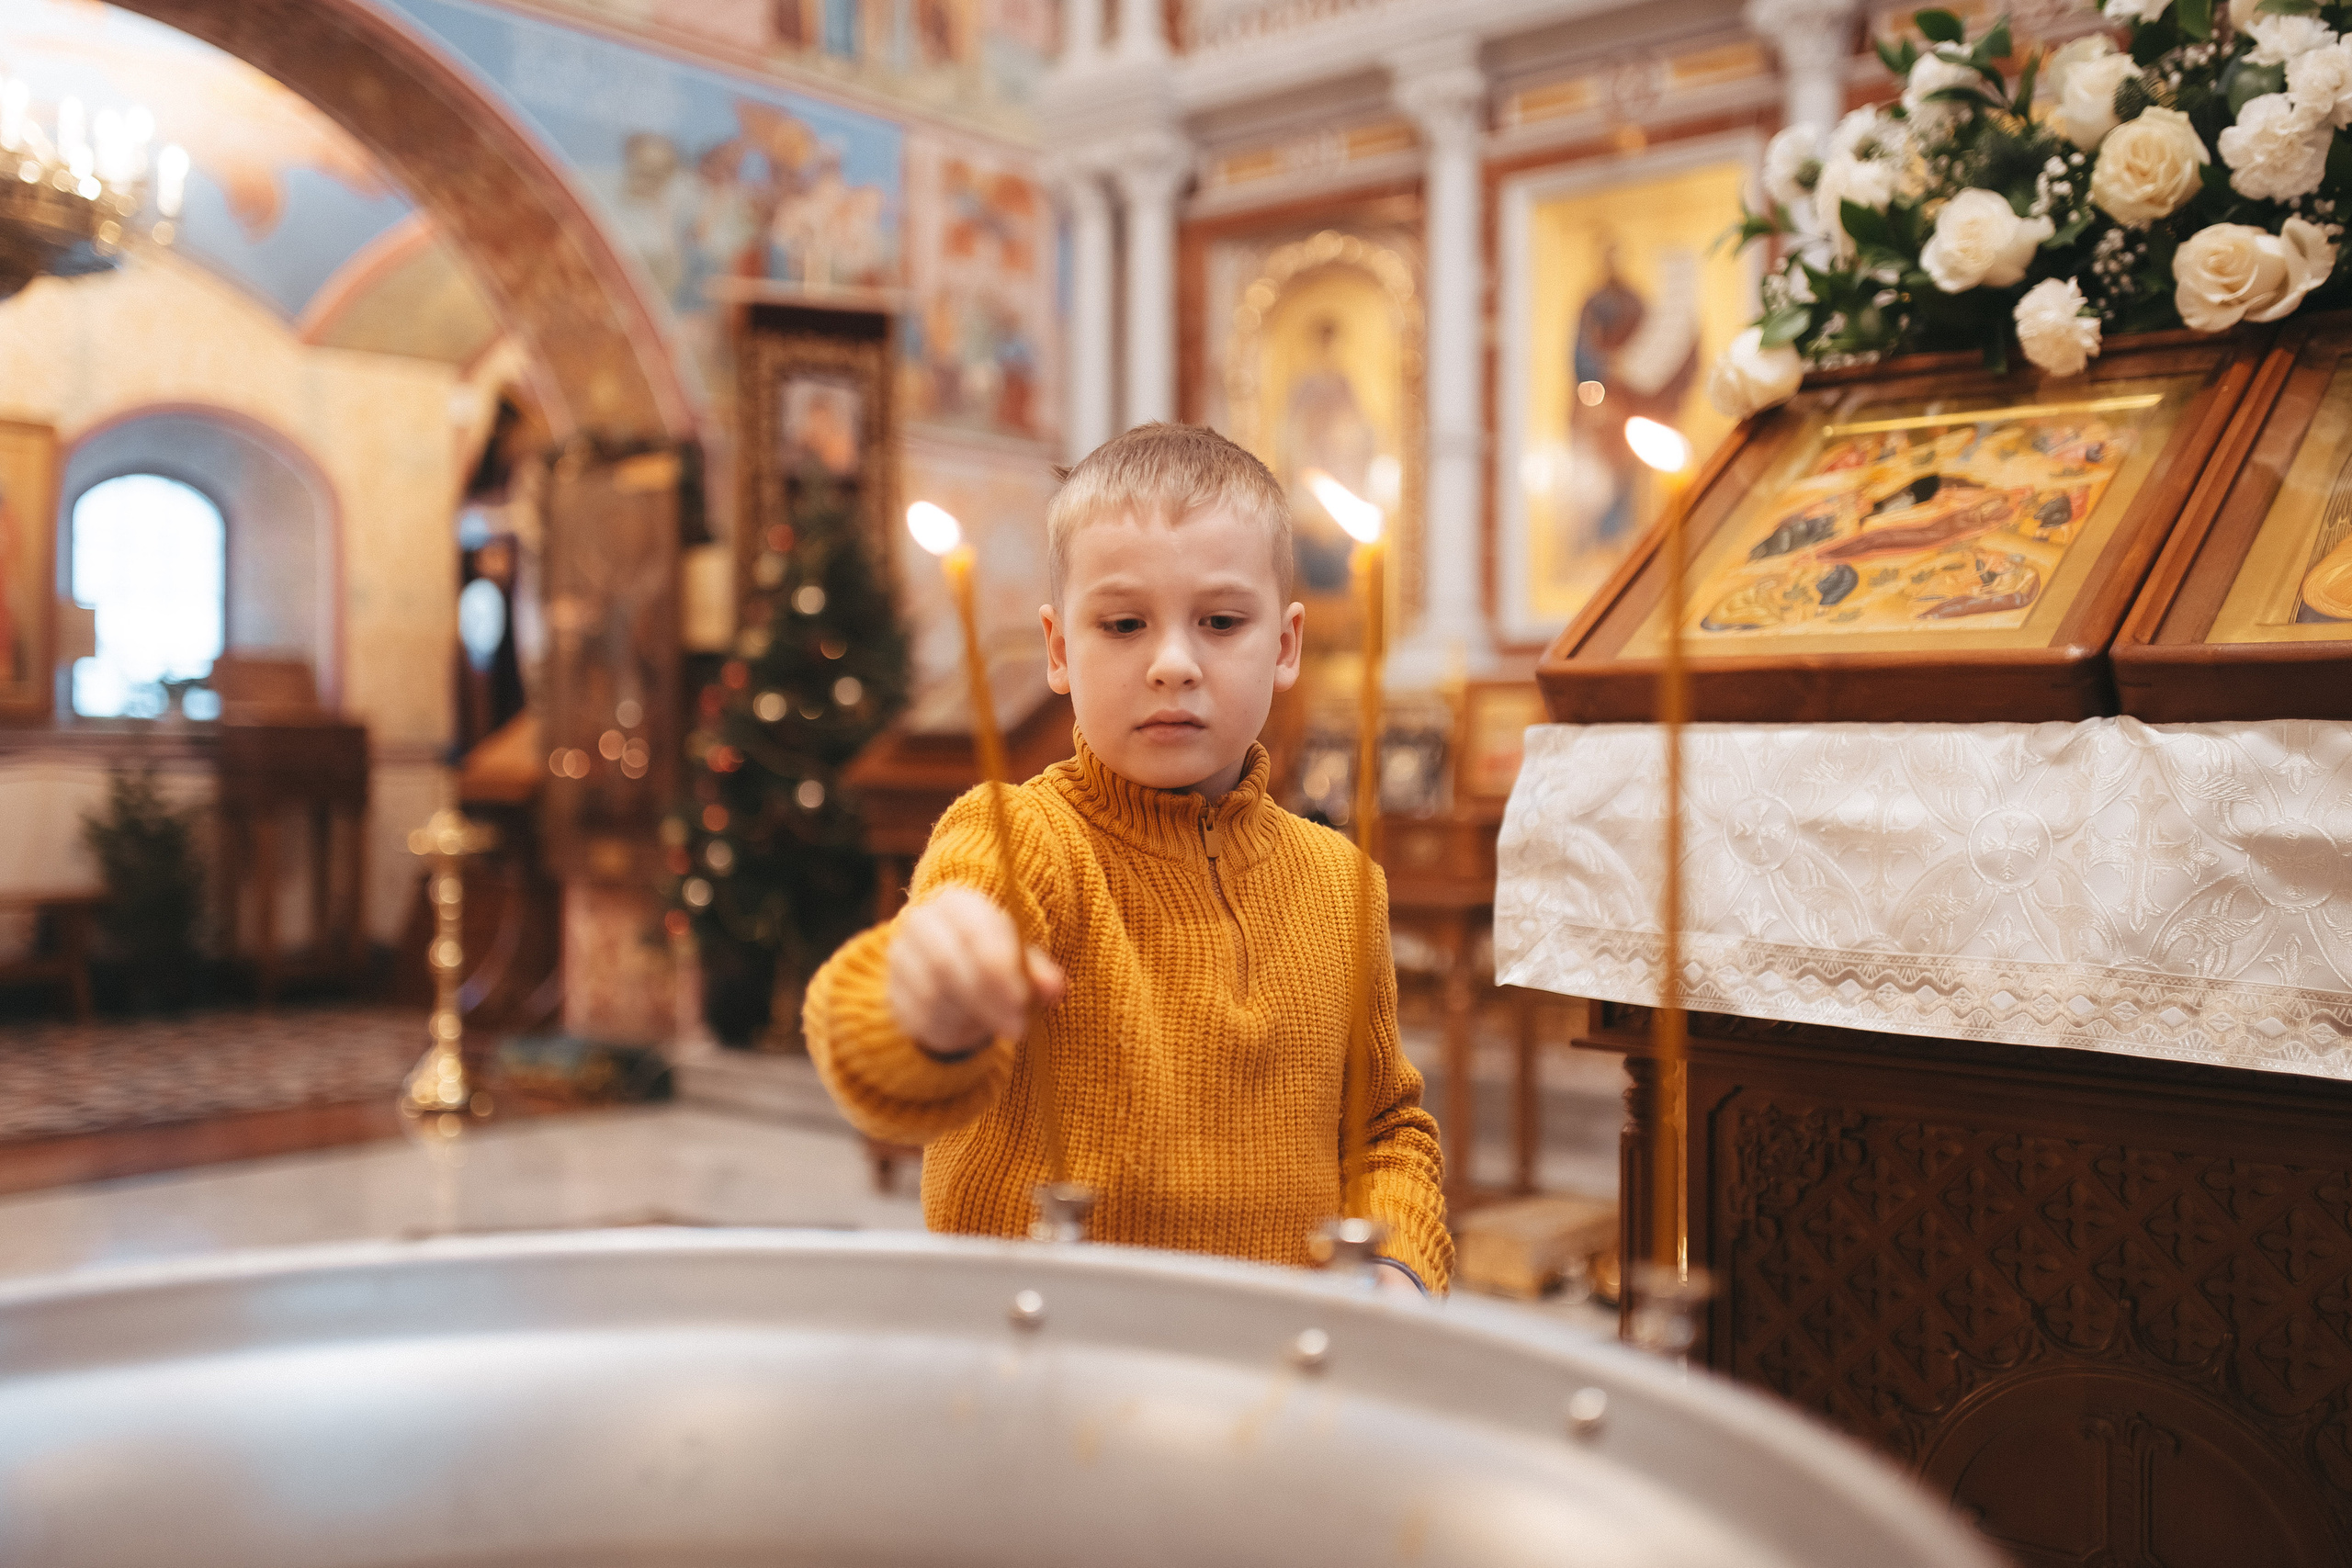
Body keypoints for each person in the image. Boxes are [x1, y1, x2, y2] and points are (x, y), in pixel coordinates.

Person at [803, 422, 1450, 1292]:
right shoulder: (1020, 837)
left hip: (1272, 1374)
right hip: (1048, 1360)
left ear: (1286, 644)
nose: (1173, 663)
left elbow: (1384, 1130)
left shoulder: (1342, 882)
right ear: (1061, 648)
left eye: (1220, 621)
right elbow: (901, 1026)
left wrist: (1399, 1268)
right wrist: (929, 998)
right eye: (1123, 624)